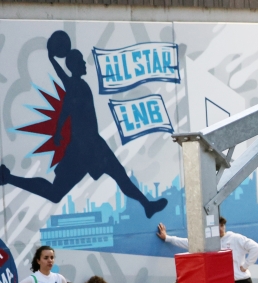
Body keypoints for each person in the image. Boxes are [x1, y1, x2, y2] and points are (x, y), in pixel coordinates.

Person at [0, 31, 167, 219]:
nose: (84, 64)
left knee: (121, 176)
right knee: (56, 193)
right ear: (75, 65)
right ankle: (8, 178)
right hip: (82, 150)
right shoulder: (75, 85)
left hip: (93, 146)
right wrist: (51, 59)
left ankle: (147, 205)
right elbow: (64, 90)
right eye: (81, 61)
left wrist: (58, 131)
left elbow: (65, 107)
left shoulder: (78, 85)